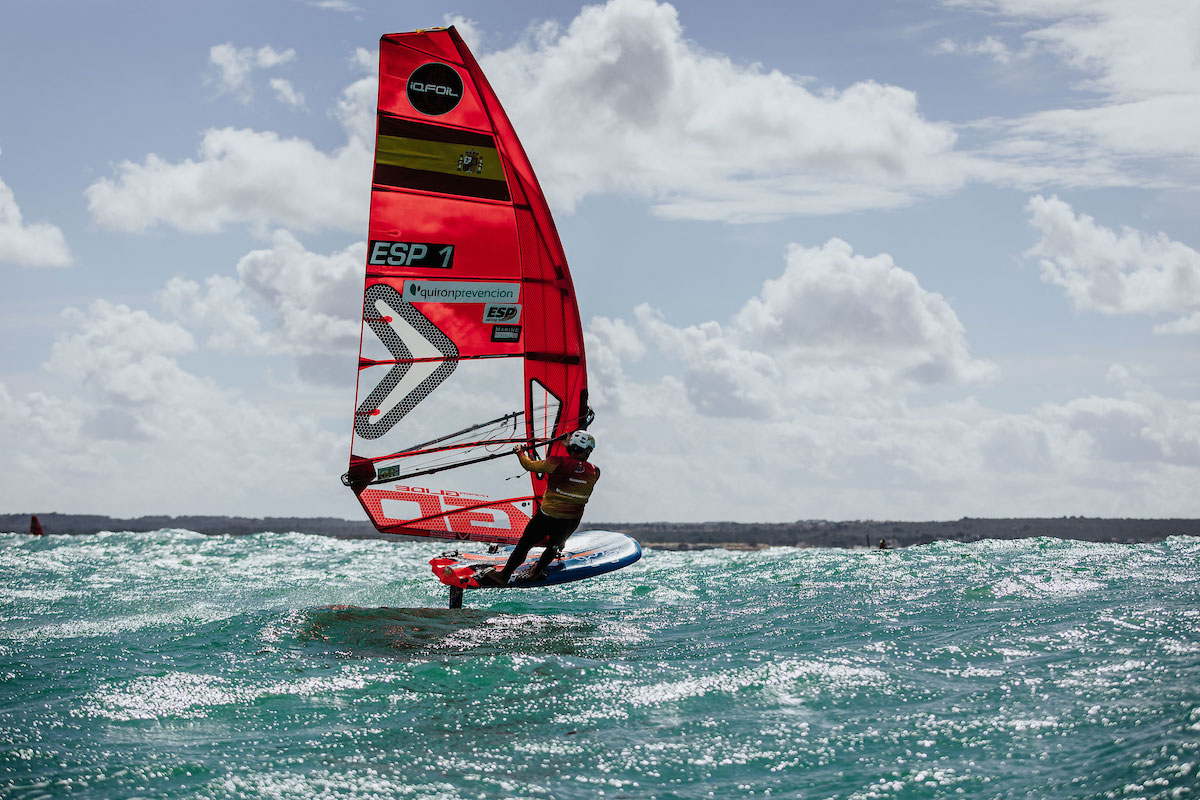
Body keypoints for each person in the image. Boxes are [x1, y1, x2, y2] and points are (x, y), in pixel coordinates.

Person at [482, 430, 600, 585]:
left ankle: (503, 576)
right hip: (570, 521)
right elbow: (577, 466)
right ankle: (536, 573)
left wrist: (520, 453)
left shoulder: (556, 462)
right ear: (589, 451)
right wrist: (568, 446)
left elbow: (530, 465)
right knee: (553, 546)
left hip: (547, 517)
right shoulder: (595, 471)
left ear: (571, 448)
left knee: (525, 544)